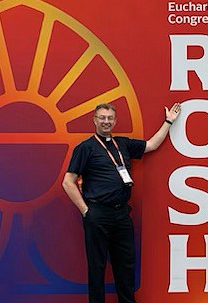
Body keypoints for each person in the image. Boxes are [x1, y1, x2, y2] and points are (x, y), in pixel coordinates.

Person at [62, 102, 181, 303]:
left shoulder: (123, 144)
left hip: (122, 215)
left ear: (115, 121)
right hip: (97, 214)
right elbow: (68, 182)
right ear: (95, 120)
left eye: (109, 118)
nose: (106, 122)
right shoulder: (85, 148)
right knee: (97, 267)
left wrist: (169, 121)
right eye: (102, 118)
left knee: (125, 265)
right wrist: (86, 211)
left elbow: (151, 145)